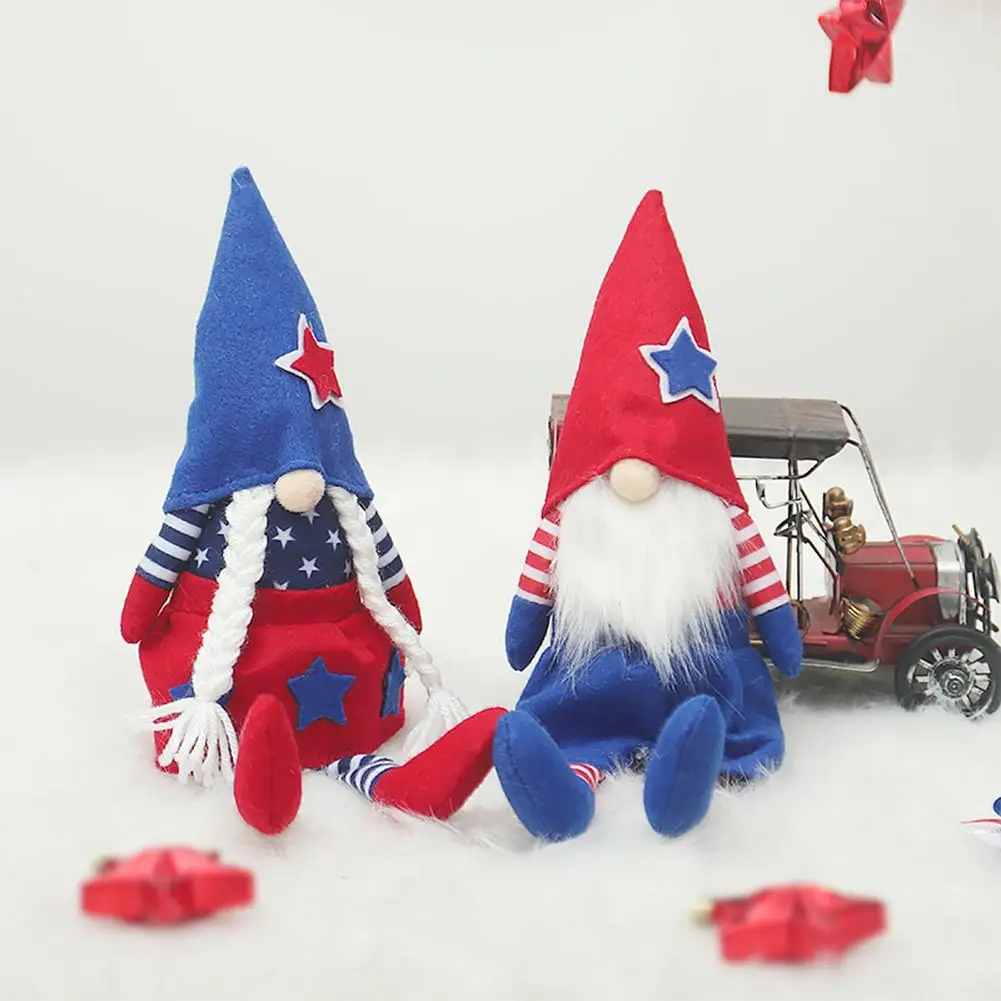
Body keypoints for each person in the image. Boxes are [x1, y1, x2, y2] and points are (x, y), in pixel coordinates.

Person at [121, 167, 503, 835]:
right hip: (234, 669)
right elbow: (150, 590)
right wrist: (140, 610)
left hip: (339, 670)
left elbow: (389, 577)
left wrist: (401, 612)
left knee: (342, 733)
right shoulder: (213, 499)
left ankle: (396, 781)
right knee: (248, 710)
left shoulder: (343, 497)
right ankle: (260, 775)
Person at [494, 190, 803, 843]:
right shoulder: (573, 514)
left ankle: (685, 778)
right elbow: (532, 601)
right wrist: (522, 636)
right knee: (570, 717)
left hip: (704, 665)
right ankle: (562, 791)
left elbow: (764, 591)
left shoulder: (718, 514)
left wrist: (782, 639)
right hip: (593, 667)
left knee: (716, 715)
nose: (636, 476)